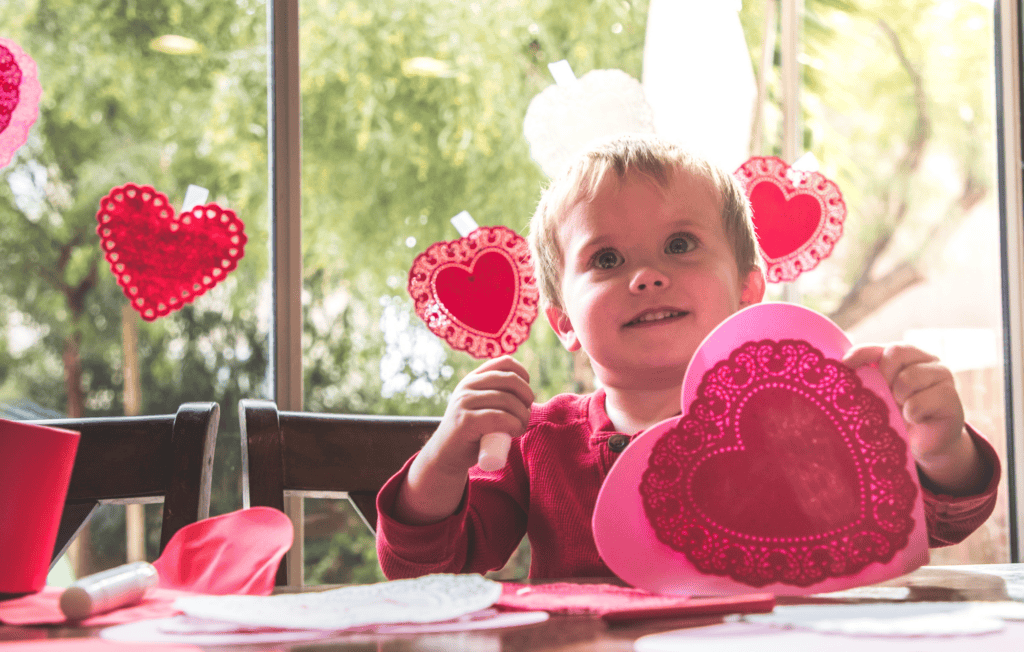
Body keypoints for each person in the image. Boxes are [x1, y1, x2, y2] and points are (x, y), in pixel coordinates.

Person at [376, 134, 1000, 580]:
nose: (646, 276)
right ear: (563, 321)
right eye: (607, 259)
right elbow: (428, 566)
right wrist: (445, 455)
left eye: (681, 245)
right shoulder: (536, 446)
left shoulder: (797, 418)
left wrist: (940, 448)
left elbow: (934, 522)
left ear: (747, 293)